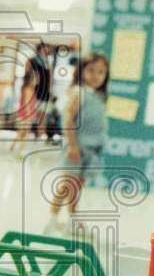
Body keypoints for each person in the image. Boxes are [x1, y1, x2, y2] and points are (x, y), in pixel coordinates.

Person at [44, 52, 109, 234]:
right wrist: (72, 146)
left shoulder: (99, 96)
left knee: (77, 185)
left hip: (90, 150)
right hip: (76, 147)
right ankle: (52, 219)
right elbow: (68, 120)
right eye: (91, 70)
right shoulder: (78, 92)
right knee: (66, 185)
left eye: (101, 72)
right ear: (81, 71)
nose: (96, 76)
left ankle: (73, 218)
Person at [10, 46, 50, 155]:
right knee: (24, 132)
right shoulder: (28, 90)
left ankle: (14, 147)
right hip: (25, 115)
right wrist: (29, 116)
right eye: (36, 79)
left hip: (26, 114)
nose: (37, 81)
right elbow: (27, 105)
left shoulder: (31, 90)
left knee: (22, 132)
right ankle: (20, 150)